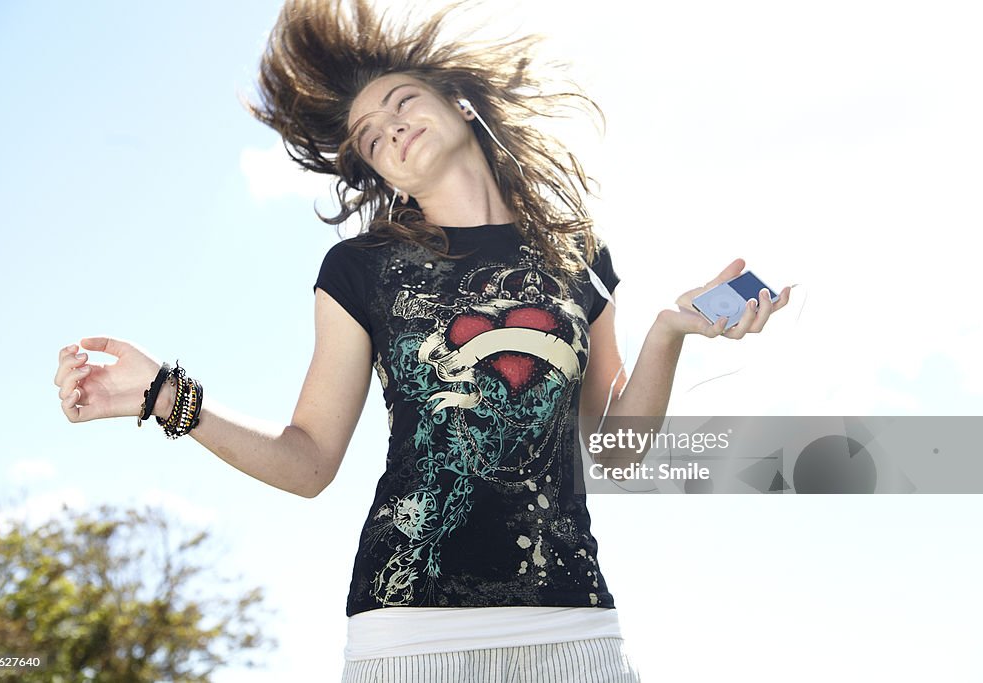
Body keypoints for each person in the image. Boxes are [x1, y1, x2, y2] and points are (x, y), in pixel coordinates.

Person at [54, 0, 790, 680]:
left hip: (574, 626)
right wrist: (167, 396)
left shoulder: (580, 258)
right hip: (409, 636)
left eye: (402, 101)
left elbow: (617, 456)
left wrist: (668, 334)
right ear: (382, 171)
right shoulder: (360, 269)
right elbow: (308, 461)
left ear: (460, 103)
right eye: (372, 137)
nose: (391, 127)